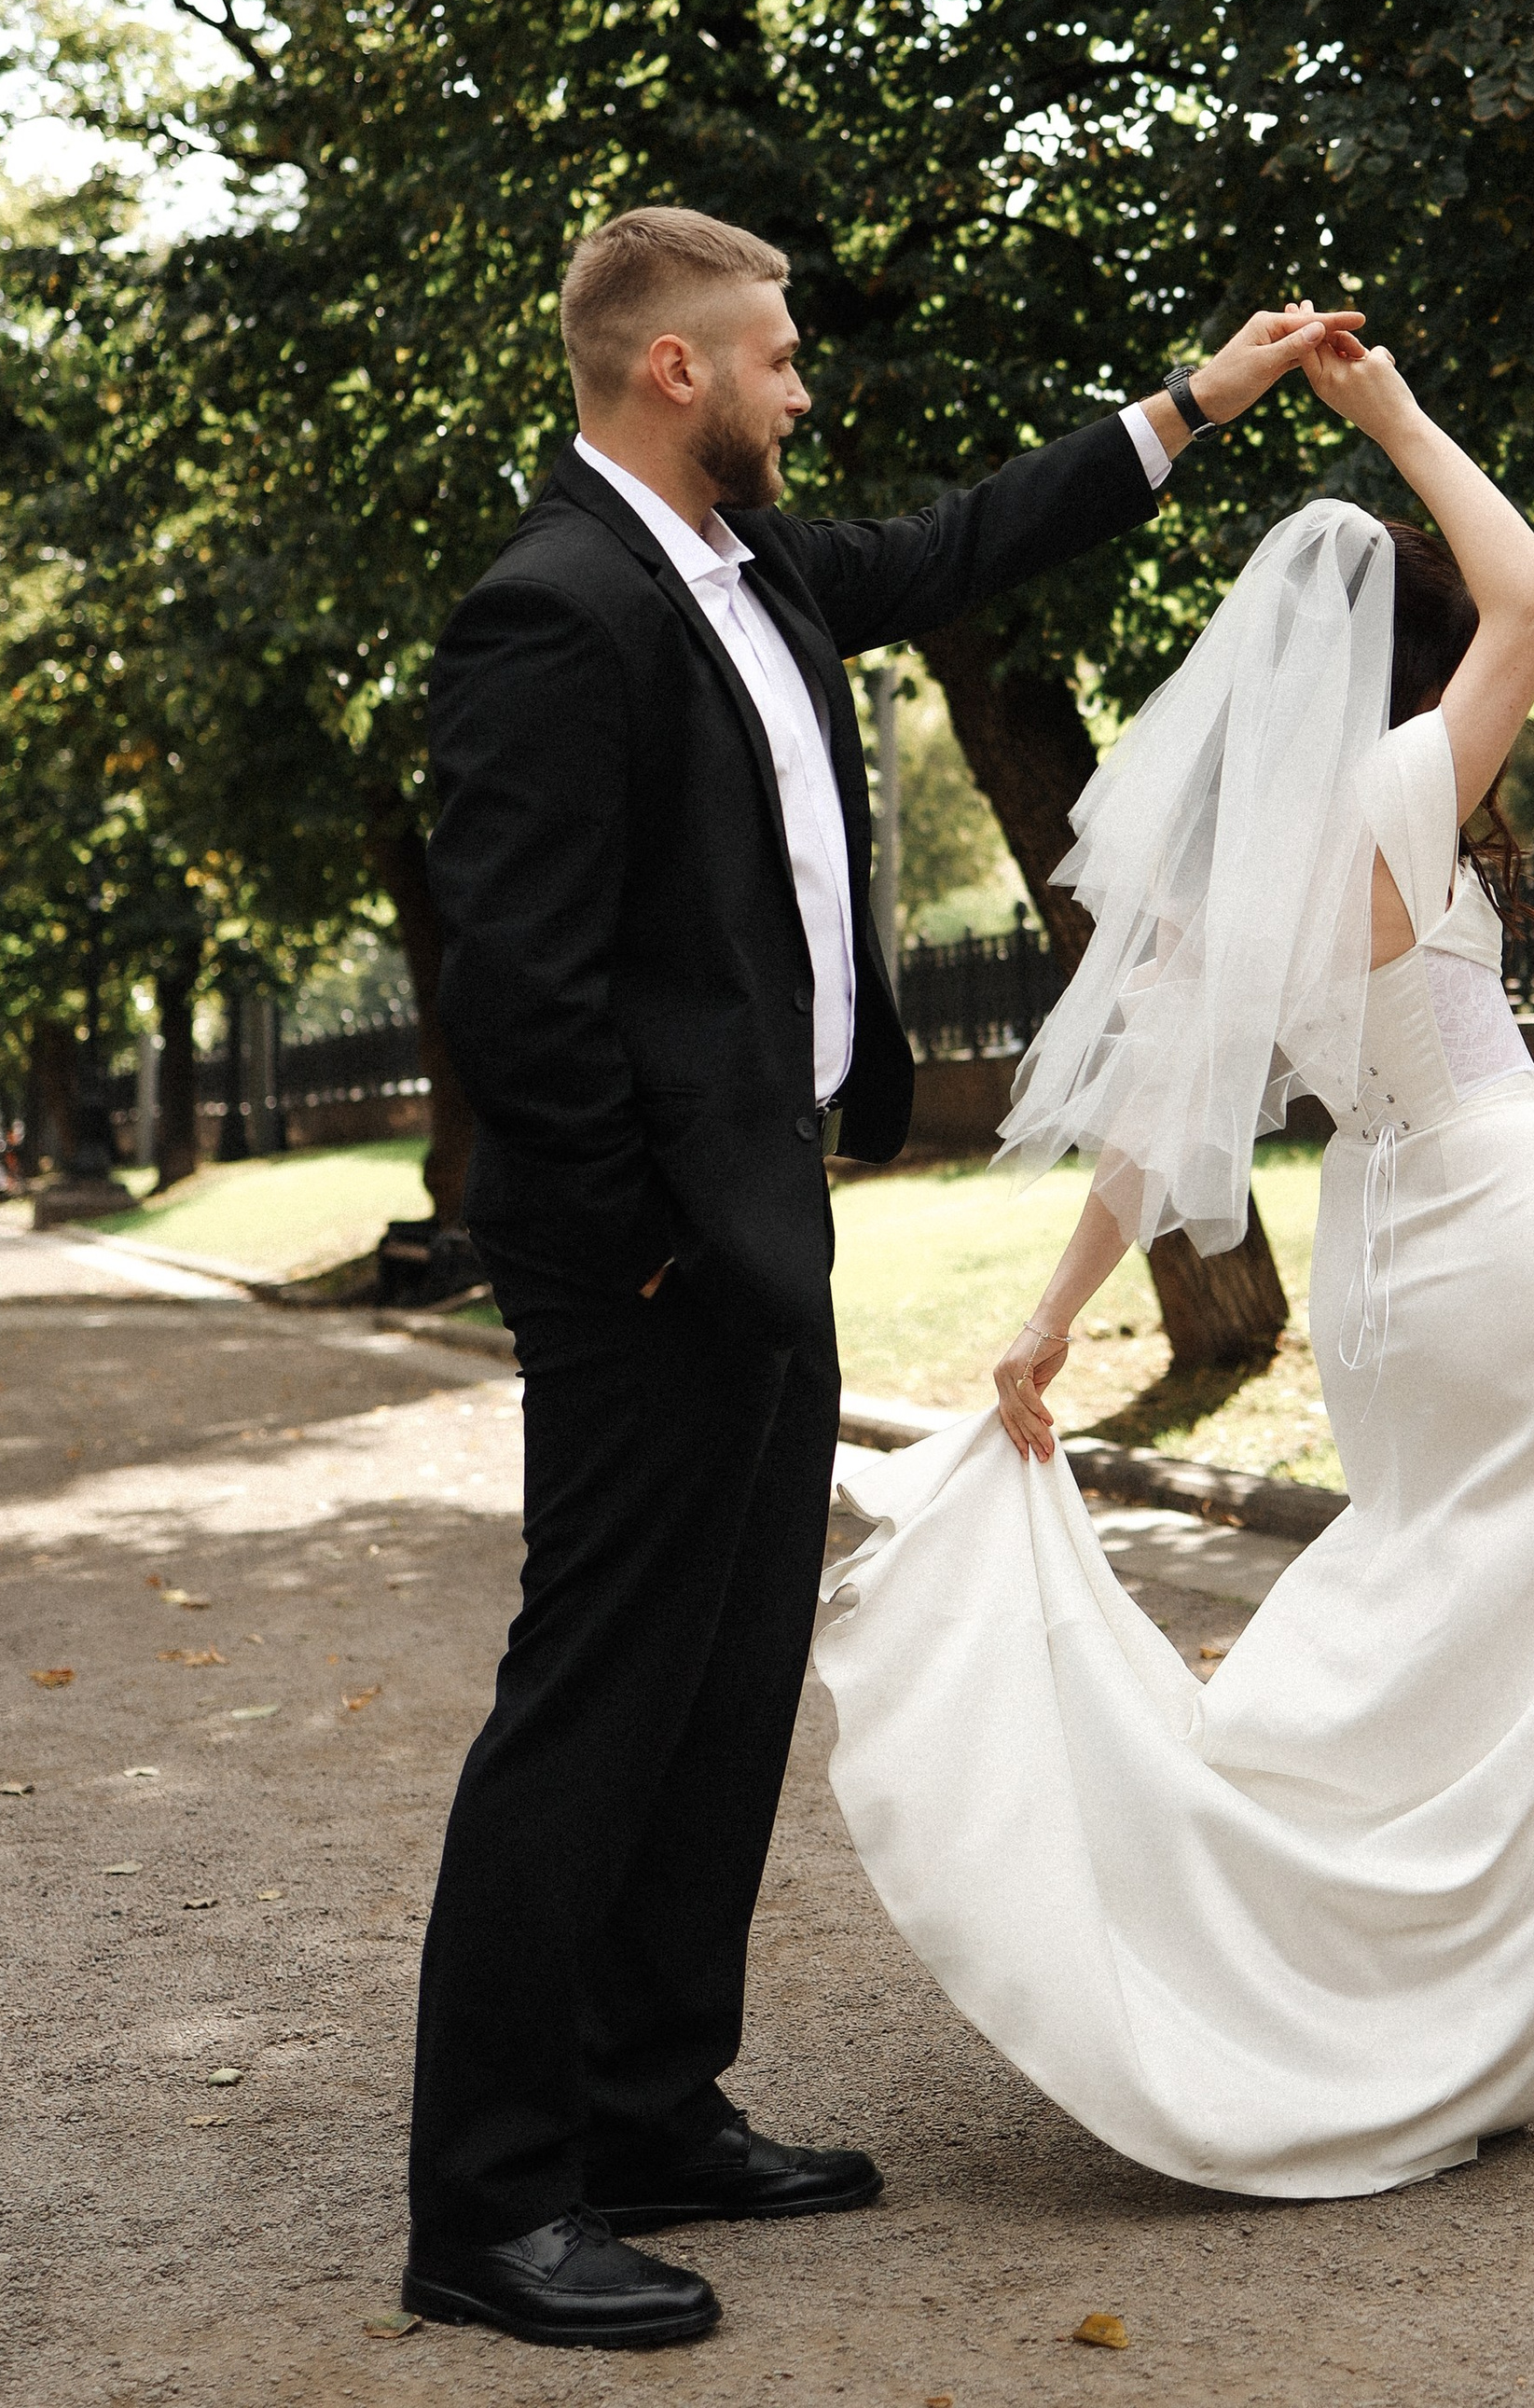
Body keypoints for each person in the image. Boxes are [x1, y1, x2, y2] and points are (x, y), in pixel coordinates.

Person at [406, 202, 1354, 2346]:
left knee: (725, 1687)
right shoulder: (553, 611)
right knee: (593, 1706)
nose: (800, 389)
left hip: (764, 1232)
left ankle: (649, 2108)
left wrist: (1207, 393)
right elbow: (519, 993)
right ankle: (482, 2204)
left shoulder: (759, 574)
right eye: (776, 359)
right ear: (675, 374)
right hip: (651, 1265)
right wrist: (645, 1257)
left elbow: (963, 541)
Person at [815, 329, 1534, 2197]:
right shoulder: (1402, 798)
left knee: (1415, 1586)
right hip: (1491, 1241)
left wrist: (1043, 1323)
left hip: (1371, 1264)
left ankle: (1299, 1942)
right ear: (1406, 681)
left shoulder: (1245, 868)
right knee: (1504, 1624)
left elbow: (1156, 1120)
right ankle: (1423, 2010)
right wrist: (1397, 419)